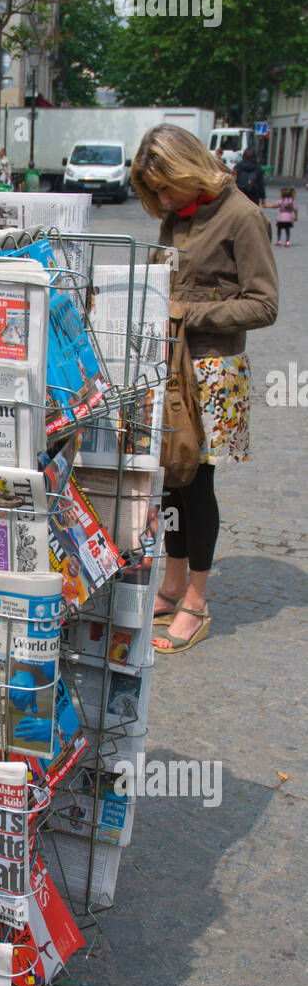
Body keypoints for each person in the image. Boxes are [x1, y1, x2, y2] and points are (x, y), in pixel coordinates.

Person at [131, 124, 278, 652]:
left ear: (187, 170)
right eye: (156, 193)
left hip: (214, 371)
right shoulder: (178, 214)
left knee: (198, 485)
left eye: (166, 188)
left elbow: (264, 304)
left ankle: (196, 598)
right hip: (173, 366)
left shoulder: (243, 216)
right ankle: (171, 584)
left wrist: (188, 311)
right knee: (171, 480)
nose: (163, 201)